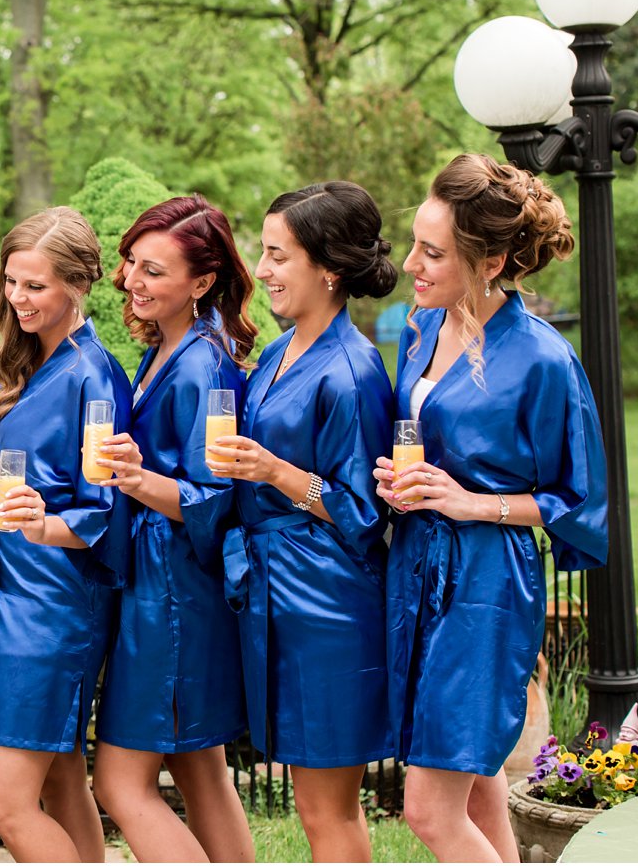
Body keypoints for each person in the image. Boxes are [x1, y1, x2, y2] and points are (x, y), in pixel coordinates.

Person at [375, 154, 607, 863]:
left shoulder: (543, 360)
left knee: (429, 810)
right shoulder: (420, 329)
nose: (411, 262)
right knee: (476, 788)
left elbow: (580, 498)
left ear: (493, 259)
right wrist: (401, 482)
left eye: (434, 252)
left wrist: (471, 502)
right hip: (416, 567)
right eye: (414, 242)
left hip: (485, 584)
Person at [208, 181, 399, 862]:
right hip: (279, 594)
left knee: (326, 810)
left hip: (329, 608)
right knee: (307, 799)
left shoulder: (352, 372)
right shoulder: (280, 354)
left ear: (328, 268)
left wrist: (276, 473)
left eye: (277, 255)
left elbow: (364, 512)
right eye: (263, 253)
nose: (260, 271)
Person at [92, 196, 256, 864]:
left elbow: (213, 496)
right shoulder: (169, 347)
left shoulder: (200, 363)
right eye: (132, 262)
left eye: (154, 271)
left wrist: (132, 478)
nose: (133, 280)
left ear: (202, 282)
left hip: (173, 594)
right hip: (167, 584)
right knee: (199, 770)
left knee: (120, 782)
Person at [0, 207, 129, 863]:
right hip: (5, 595)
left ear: (77, 284)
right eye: (12, 281)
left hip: (51, 610)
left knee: (4, 803)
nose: (18, 298)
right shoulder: (25, 365)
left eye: (35, 286)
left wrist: (43, 523)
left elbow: (103, 508)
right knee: (63, 780)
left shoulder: (94, 376)